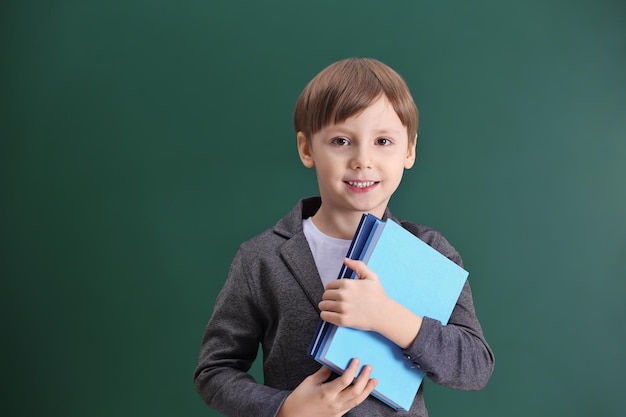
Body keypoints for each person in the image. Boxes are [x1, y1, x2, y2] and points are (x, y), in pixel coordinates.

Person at [194, 57, 494, 417]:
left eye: (383, 140)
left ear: (409, 150)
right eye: (341, 140)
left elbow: (476, 367)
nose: (362, 160)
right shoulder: (262, 258)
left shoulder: (429, 251)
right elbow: (214, 371)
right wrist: (284, 409)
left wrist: (388, 317)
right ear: (307, 149)